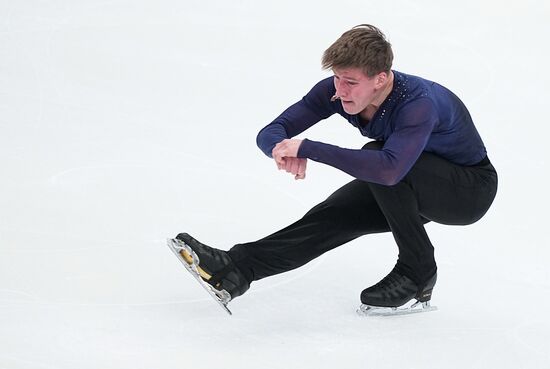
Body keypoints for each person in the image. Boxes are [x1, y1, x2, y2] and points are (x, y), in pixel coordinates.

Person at [173, 24, 498, 312]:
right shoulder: (337, 90)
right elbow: (273, 130)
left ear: (380, 79)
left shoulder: (417, 103)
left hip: (468, 191)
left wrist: (309, 148)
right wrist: (280, 148)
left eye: (351, 82)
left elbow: (389, 170)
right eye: (337, 79)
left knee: (380, 157)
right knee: (331, 216)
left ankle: (418, 271)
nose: (340, 90)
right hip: (406, 180)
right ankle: (236, 270)